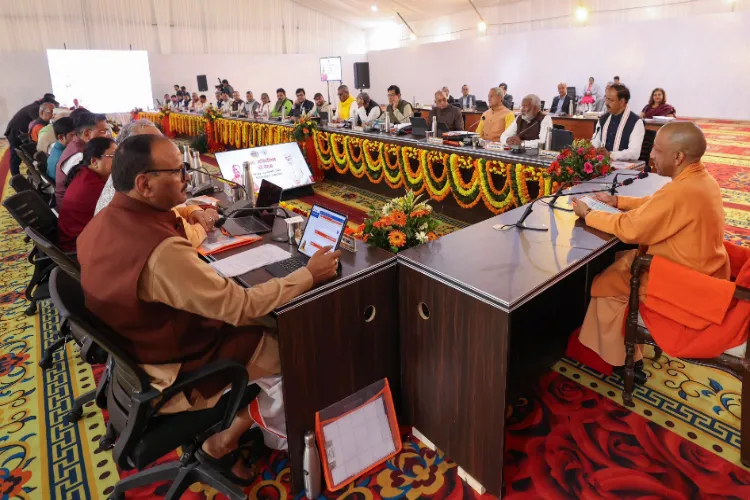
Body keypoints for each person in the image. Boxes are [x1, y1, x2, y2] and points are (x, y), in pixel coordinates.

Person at [77, 133, 341, 482]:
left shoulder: (102, 223)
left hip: (137, 356)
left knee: (269, 314)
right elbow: (241, 306)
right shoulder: (161, 252)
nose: (187, 177)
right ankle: (222, 443)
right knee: (299, 352)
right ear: (144, 184)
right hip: (174, 370)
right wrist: (307, 275)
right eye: (178, 171)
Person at [568, 122, 729, 382]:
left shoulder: (683, 190)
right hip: (701, 270)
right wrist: (617, 201)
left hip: (684, 283)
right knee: (621, 260)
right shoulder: (700, 178)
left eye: (656, 149)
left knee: (606, 282)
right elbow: (657, 204)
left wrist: (590, 214)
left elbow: (630, 229)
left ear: (678, 157)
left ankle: (622, 360)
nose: (651, 155)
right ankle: (624, 349)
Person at [94, 119, 215, 248]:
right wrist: (208, 219)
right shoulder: (138, 187)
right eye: (152, 143)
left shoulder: (127, 178)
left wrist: (191, 210)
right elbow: (186, 238)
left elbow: (170, 212)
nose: (164, 146)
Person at [58, 137, 117, 251]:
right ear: (94, 162)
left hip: (79, 239)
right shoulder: (92, 187)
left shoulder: (86, 174)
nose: (119, 160)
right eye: (113, 156)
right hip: (79, 249)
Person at [56, 112, 110, 207]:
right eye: (104, 132)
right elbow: (94, 188)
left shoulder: (79, 146)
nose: (108, 136)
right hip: (74, 211)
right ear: (87, 134)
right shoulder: (78, 156)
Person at [4, 93, 58, 176]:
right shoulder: (35, 109)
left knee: (21, 154)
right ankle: (15, 176)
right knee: (15, 155)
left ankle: (27, 172)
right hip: (14, 131)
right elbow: (37, 123)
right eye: (51, 111)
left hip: (20, 131)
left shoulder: (37, 106)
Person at [591, 84, 645, 161]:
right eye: (606, 99)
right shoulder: (603, 119)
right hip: (602, 165)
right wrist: (590, 149)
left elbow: (634, 153)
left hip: (624, 170)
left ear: (622, 102)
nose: (606, 103)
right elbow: (595, 142)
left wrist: (610, 155)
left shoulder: (635, 122)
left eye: (610, 100)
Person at [46, 117, 76, 182]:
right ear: (61, 137)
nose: (77, 138)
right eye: (73, 135)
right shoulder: (64, 157)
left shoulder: (55, 148)